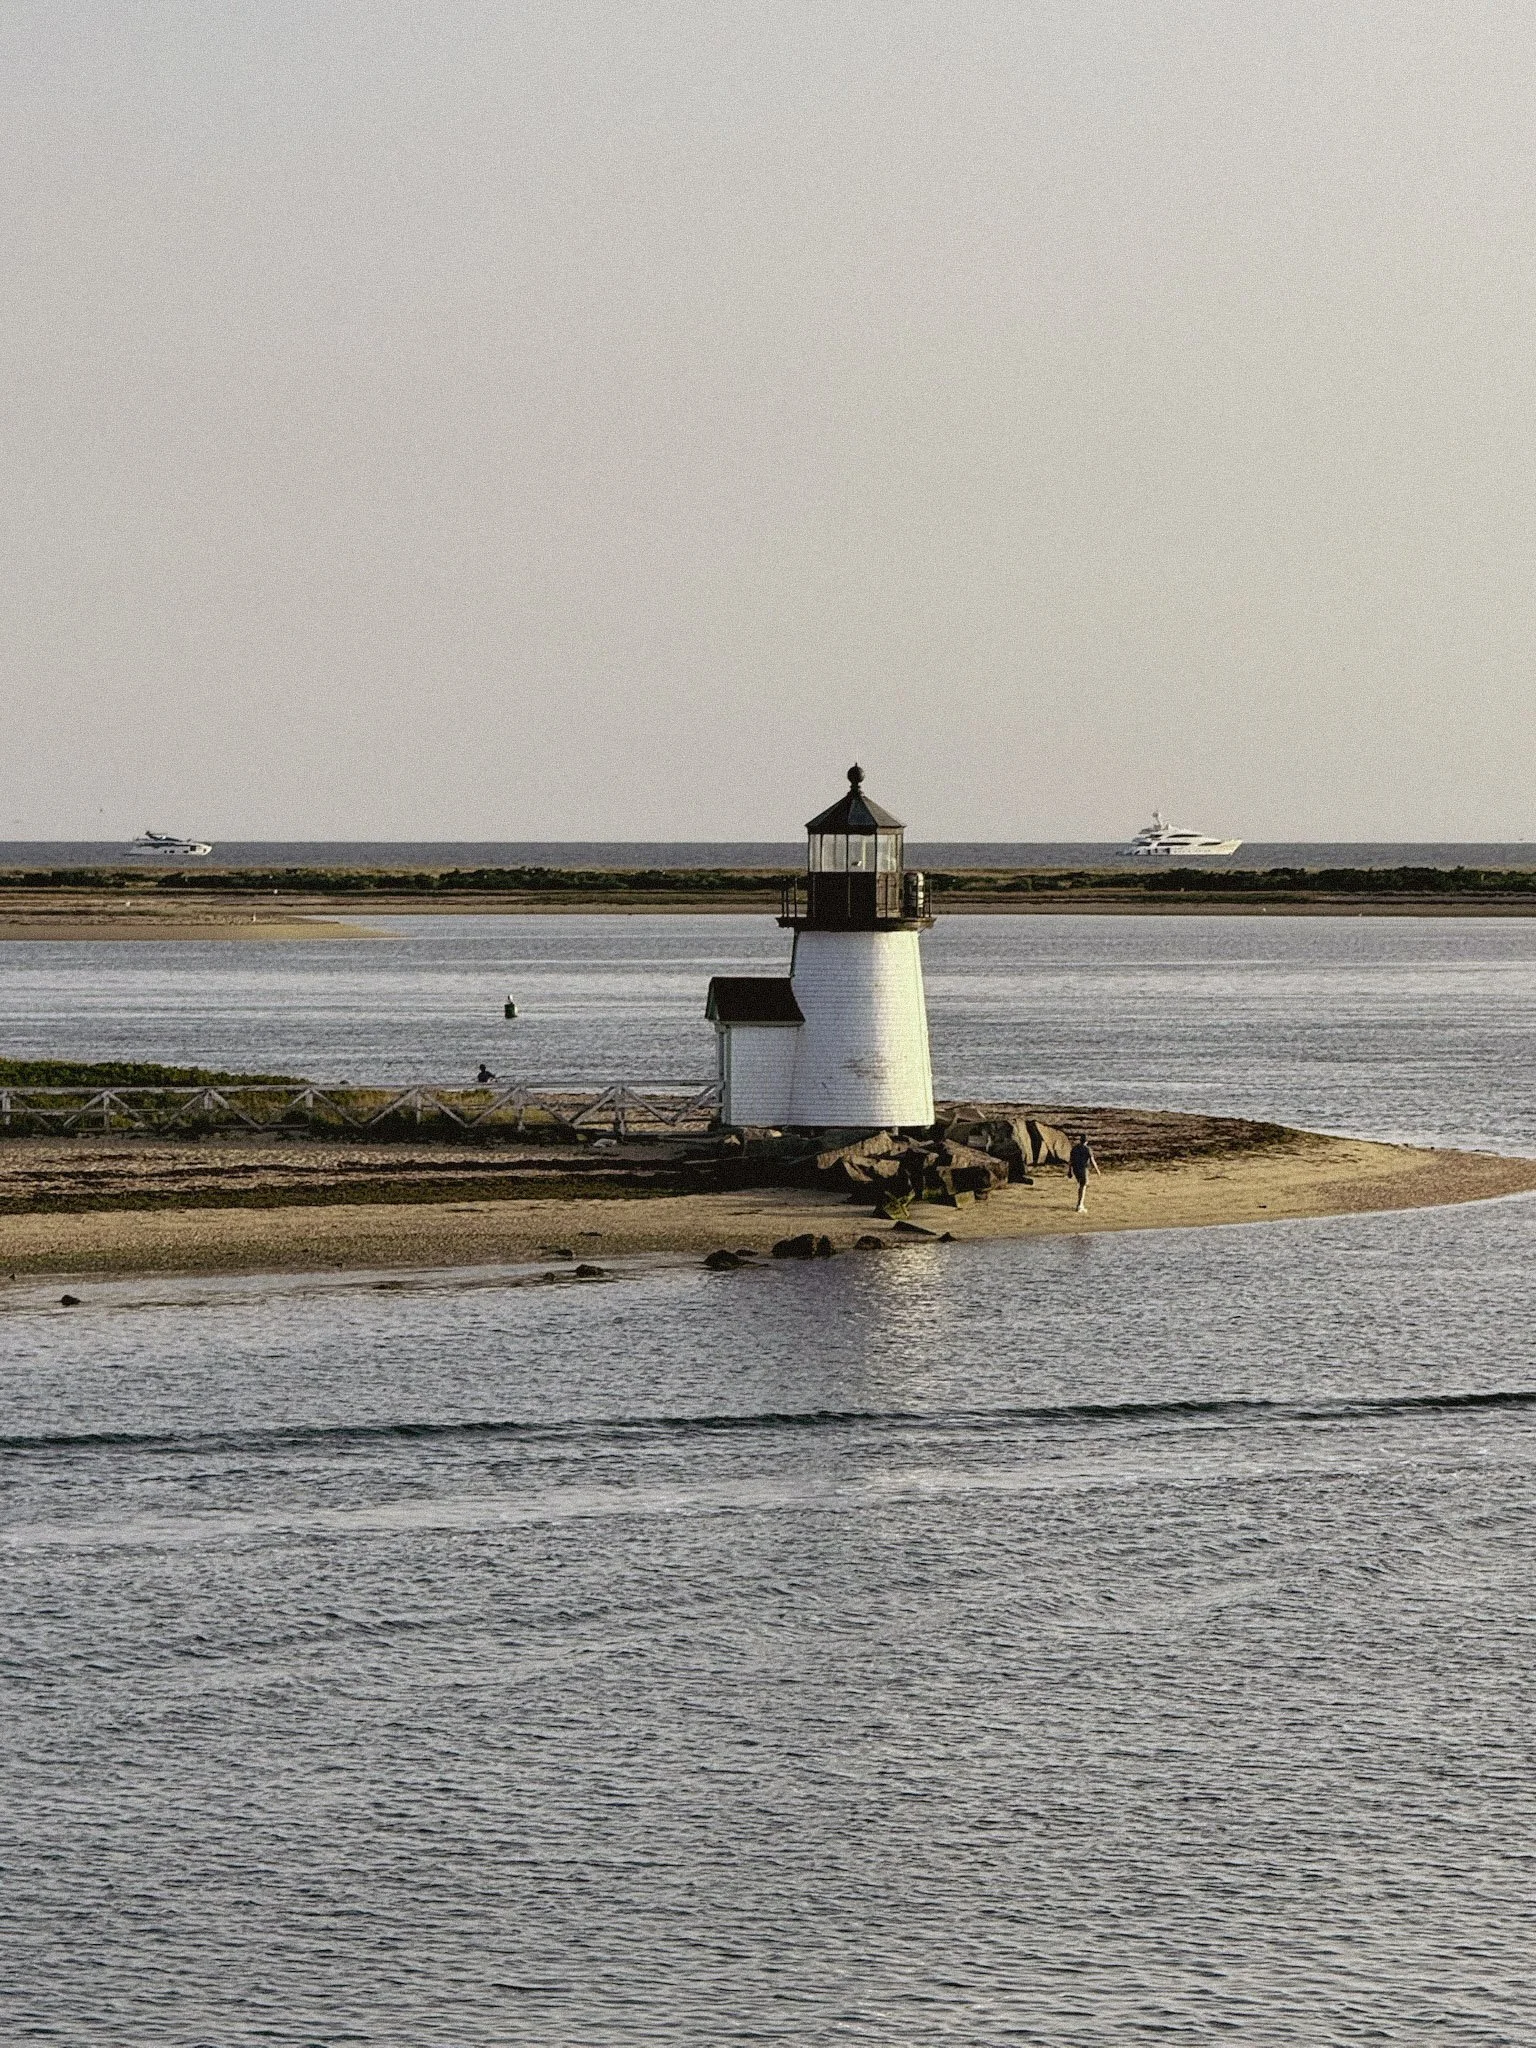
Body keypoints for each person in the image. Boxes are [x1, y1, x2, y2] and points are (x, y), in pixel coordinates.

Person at [1067, 1132, 1099, 1213]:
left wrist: (1069, 1171)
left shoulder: (1075, 1148)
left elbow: (1070, 1161)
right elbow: (1092, 1160)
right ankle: (1080, 1205)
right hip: (1083, 1169)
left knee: (1081, 1185)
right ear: (1086, 1141)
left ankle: (1080, 1204)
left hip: (1075, 1169)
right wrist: (1097, 1170)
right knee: (1083, 1186)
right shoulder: (1087, 1149)